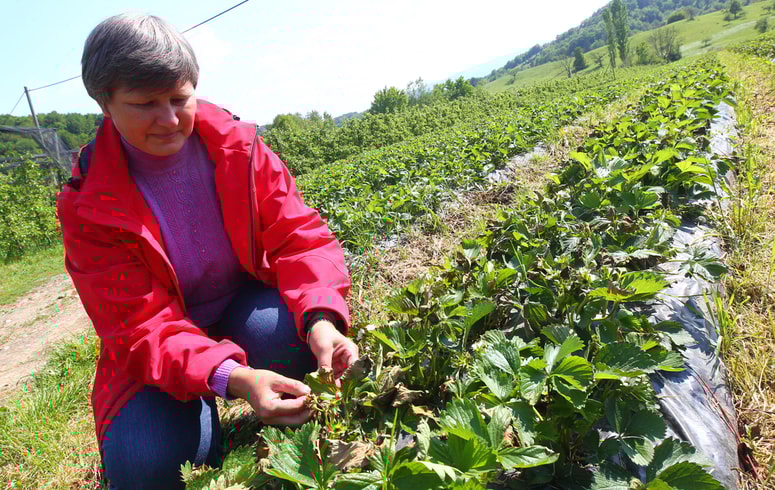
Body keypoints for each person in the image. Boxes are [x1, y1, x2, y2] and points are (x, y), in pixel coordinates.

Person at [56, 12, 358, 490]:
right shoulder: (89, 202)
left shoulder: (238, 149)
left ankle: (227, 383)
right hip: (162, 343)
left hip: (240, 303)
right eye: (145, 104)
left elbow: (299, 236)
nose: (170, 119)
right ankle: (203, 406)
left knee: (297, 350)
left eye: (180, 98)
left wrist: (321, 320)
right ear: (104, 103)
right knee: (148, 469)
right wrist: (233, 377)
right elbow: (140, 327)